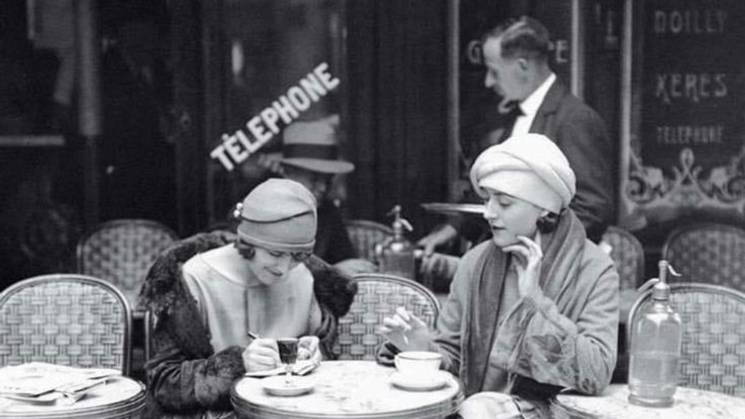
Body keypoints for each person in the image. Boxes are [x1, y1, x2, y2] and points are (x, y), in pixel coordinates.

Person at [381, 134, 619, 418]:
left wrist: (534, 301)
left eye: (504, 203)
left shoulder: (594, 269)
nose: (489, 213)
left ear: (544, 208)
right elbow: (456, 363)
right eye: (487, 199)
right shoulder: (475, 263)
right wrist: (424, 349)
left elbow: (597, 373)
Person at [141, 178, 357, 418]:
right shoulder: (193, 278)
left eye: (297, 256)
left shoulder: (306, 277)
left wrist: (316, 356)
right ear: (247, 242)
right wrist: (237, 365)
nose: (284, 268)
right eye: (275, 253)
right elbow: (163, 385)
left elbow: (324, 358)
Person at [419, 16, 615, 277]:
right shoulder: (513, 117)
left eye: (494, 71)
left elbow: (593, 210)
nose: (489, 82)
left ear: (522, 66)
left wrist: (533, 250)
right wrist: (454, 228)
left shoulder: (575, 119)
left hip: (552, 275)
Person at [277, 116, 376, 274]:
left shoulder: (327, 211)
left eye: (328, 179)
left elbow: (346, 259)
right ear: (287, 173)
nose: (323, 188)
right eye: (314, 179)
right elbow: (271, 275)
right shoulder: (259, 212)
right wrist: (330, 271)